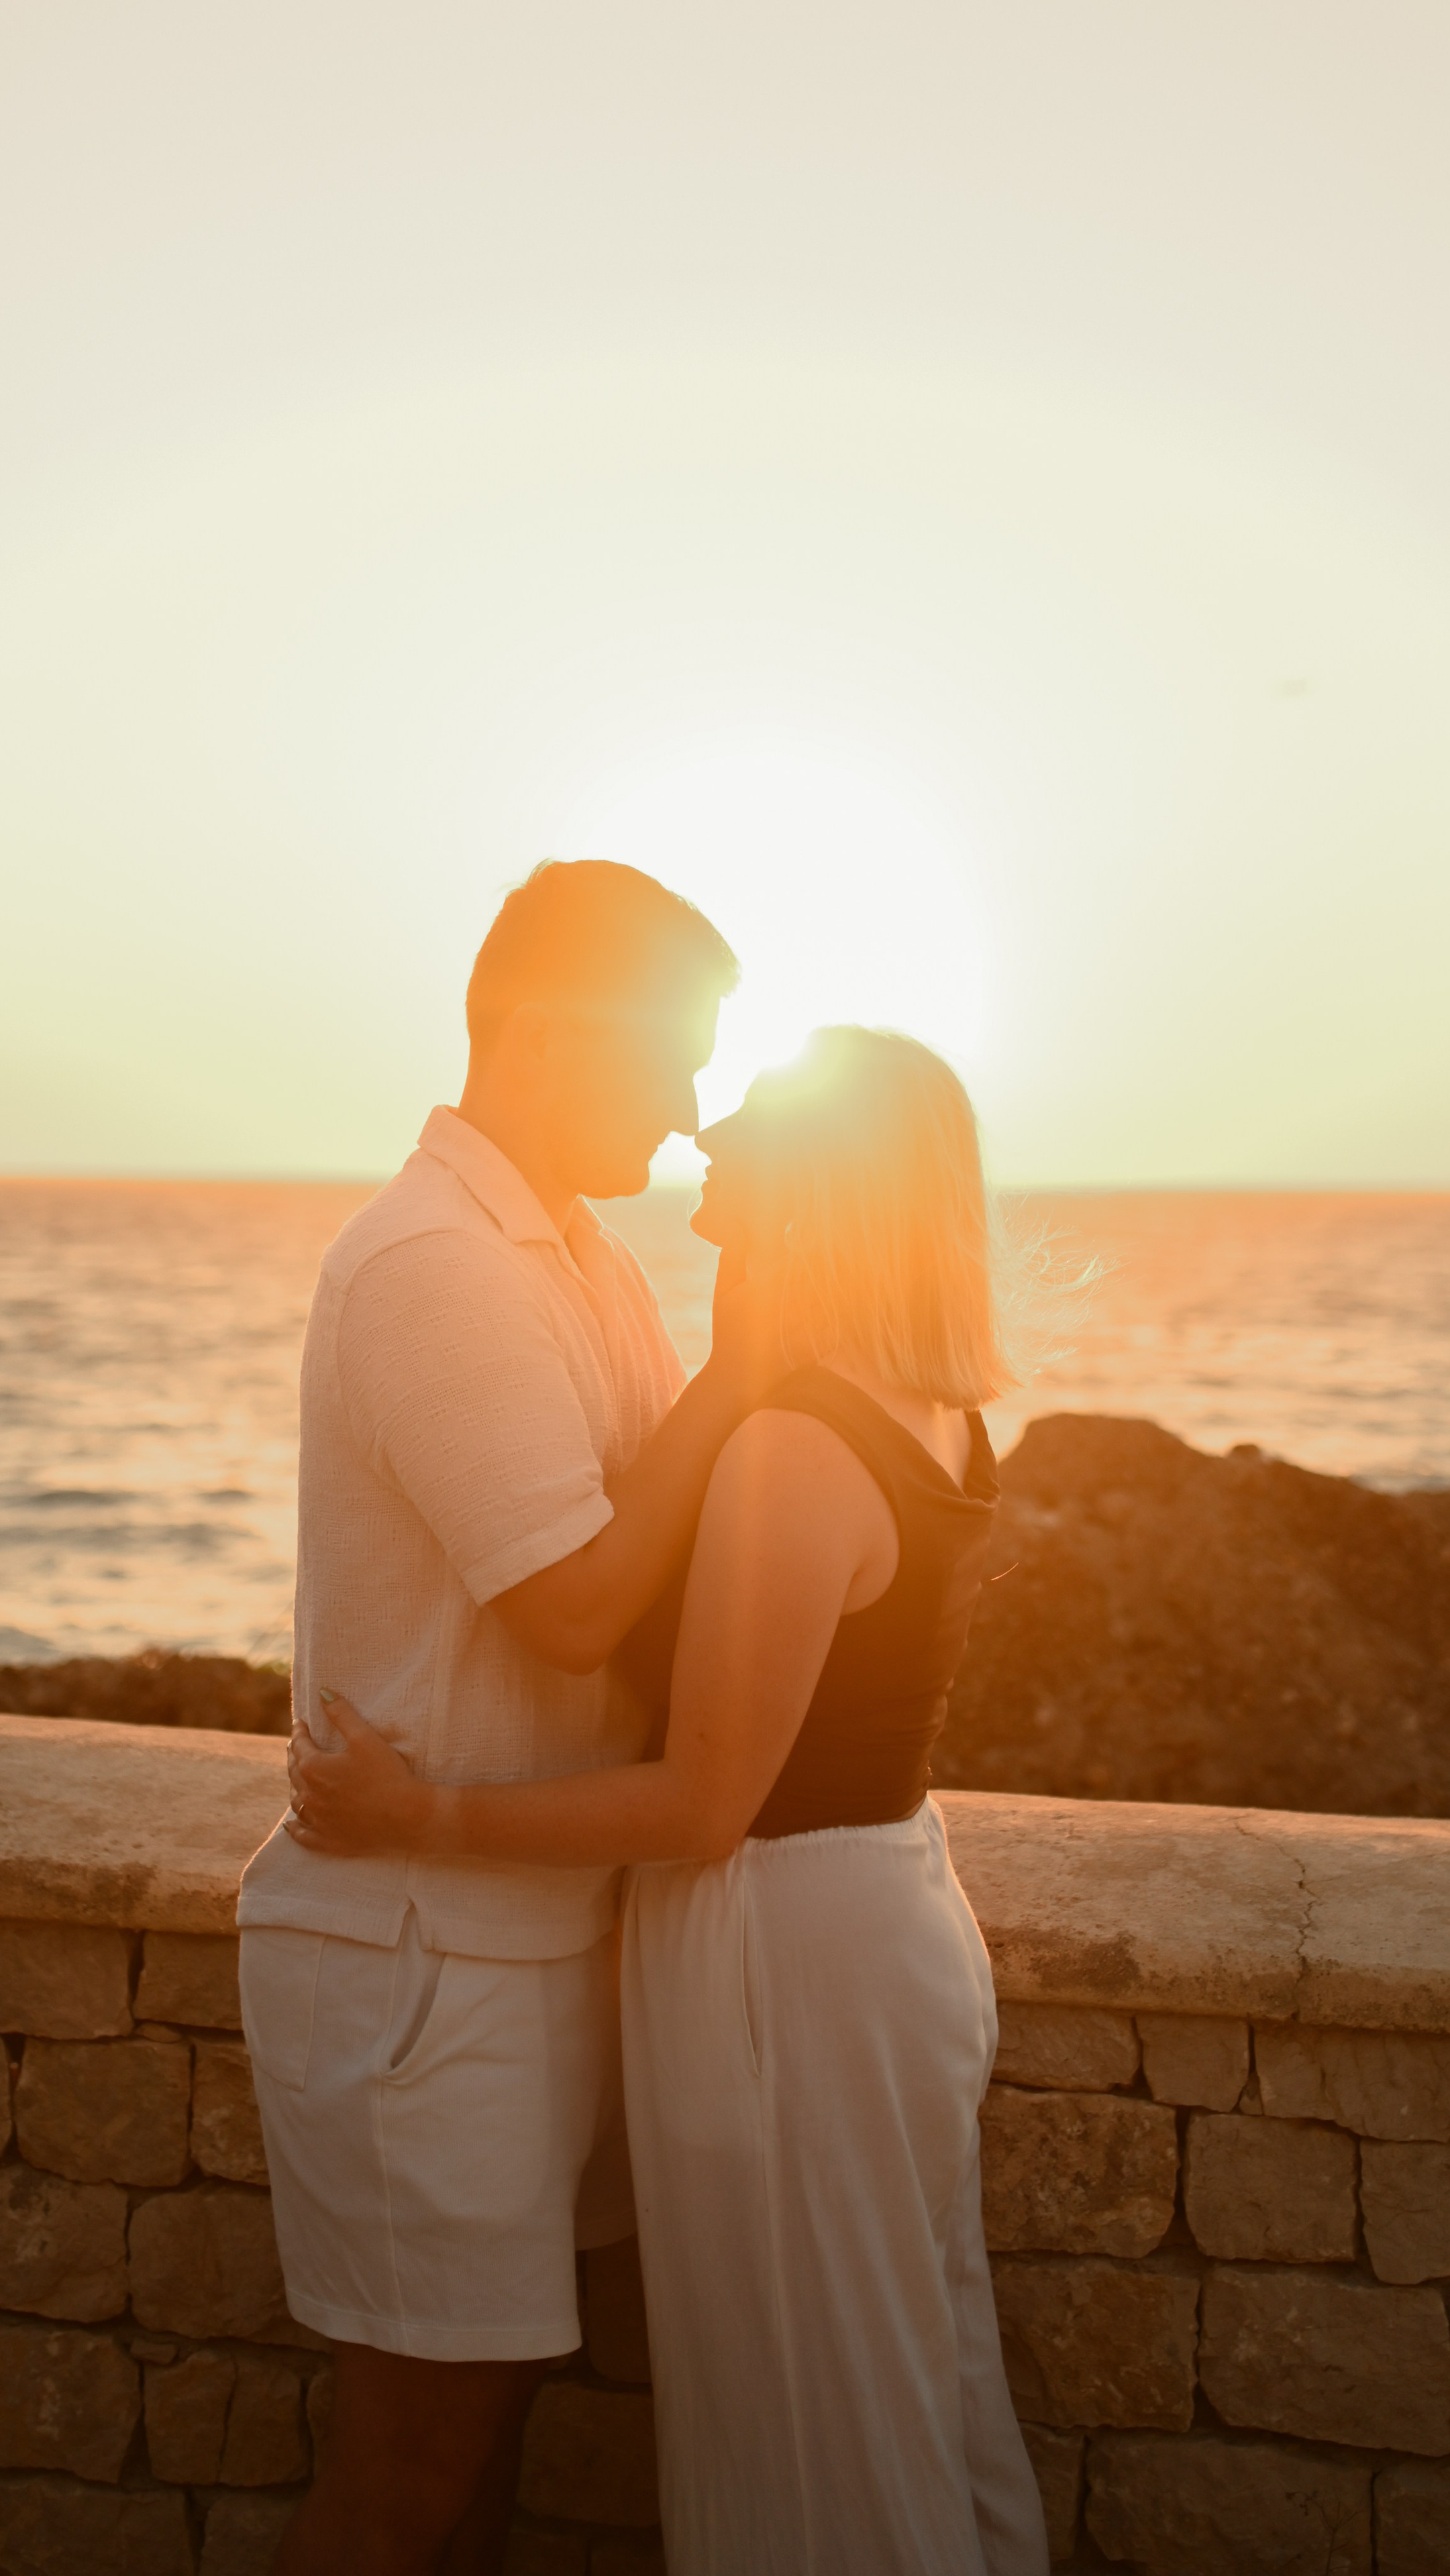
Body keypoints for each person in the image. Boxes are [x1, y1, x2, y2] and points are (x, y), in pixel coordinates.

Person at [287, 1024, 1051, 2576]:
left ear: (822, 1178)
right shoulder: (922, 1408)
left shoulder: (800, 1445)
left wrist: (422, 1817)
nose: (709, 1128)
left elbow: (704, 1800)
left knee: (807, 2423)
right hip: (874, 1915)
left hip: (784, 1949)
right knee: (897, 2384)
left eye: (754, 1109)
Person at [237, 860, 771, 2576]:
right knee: (409, 2474)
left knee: (480, 2463)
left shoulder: (578, 1258)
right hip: (422, 1958)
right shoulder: (433, 1267)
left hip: (527, 1940)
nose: (685, 1109)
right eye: (667, 1055)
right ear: (543, 1032)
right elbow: (576, 1606)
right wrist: (748, 1370)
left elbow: (661, 1566)